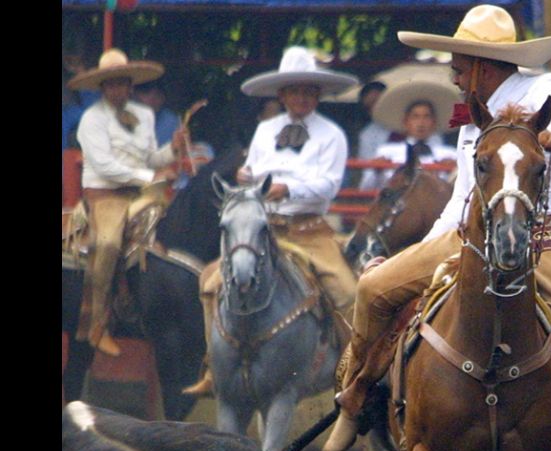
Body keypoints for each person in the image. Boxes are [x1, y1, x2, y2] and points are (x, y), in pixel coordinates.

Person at [323, 6, 551, 451]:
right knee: (373, 287)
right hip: (468, 238)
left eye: (458, 67)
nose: (455, 78)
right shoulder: (471, 122)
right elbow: (460, 200)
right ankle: (353, 400)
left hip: (543, 242)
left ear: (481, 65)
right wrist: (423, 249)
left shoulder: (549, 91)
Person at [183, 46, 360, 396]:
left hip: (309, 230)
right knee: (209, 280)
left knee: (348, 290)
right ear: (281, 94)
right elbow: (253, 172)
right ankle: (213, 365)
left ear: (318, 94)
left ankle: (356, 371)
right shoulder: (265, 130)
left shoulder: (332, 134)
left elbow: (329, 184)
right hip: (264, 229)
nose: (302, 98)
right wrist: (246, 176)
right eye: (294, 91)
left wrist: (287, 188)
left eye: (309, 91)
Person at [68, 48, 188, 356]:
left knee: (175, 234)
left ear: (130, 84)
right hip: (105, 196)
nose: (117, 89)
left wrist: (172, 150)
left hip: (141, 195)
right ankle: (96, 325)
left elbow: (152, 156)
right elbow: (106, 166)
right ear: (102, 88)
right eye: (110, 84)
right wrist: (149, 176)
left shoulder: (145, 115)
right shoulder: (91, 119)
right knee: (107, 244)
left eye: (121, 83)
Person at [359, 80, 458, 190]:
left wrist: (453, 171)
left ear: (434, 122)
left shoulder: (449, 154)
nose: (421, 123)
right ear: (406, 122)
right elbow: (365, 188)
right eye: (415, 117)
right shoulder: (386, 152)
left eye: (427, 117)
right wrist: (376, 171)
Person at [133, 80, 181, 146]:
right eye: (146, 93)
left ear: (163, 98)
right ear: (134, 95)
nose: (152, 98)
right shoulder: (125, 118)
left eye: (157, 94)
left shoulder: (171, 121)